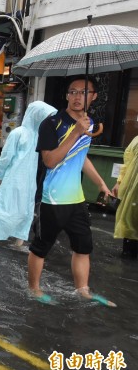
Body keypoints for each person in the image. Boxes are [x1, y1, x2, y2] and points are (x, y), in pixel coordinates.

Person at [28, 76, 115, 307]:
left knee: (83, 246)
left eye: (84, 92)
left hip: (77, 199)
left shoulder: (90, 123)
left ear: (94, 97)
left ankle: (83, 290)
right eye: (73, 92)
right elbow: (50, 161)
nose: (78, 97)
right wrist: (76, 132)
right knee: (41, 247)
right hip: (52, 198)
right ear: (66, 95)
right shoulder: (51, 123)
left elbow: (81, 156)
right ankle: (34, 289)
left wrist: (100, 183)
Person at [0, 101, 57, 249]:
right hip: (13, 178)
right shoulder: (18, 133)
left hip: (29, 180)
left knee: (25, 209)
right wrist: (1, 173)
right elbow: (6, 156)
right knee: (5, 207)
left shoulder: (39, 135)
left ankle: (19, 240)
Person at [112, 134, 138, 258]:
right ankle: (128, 253)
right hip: (132, 192)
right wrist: (119, 182)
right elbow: (127, 162)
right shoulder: (136, 140)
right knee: (130, 221)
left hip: (133, 193)